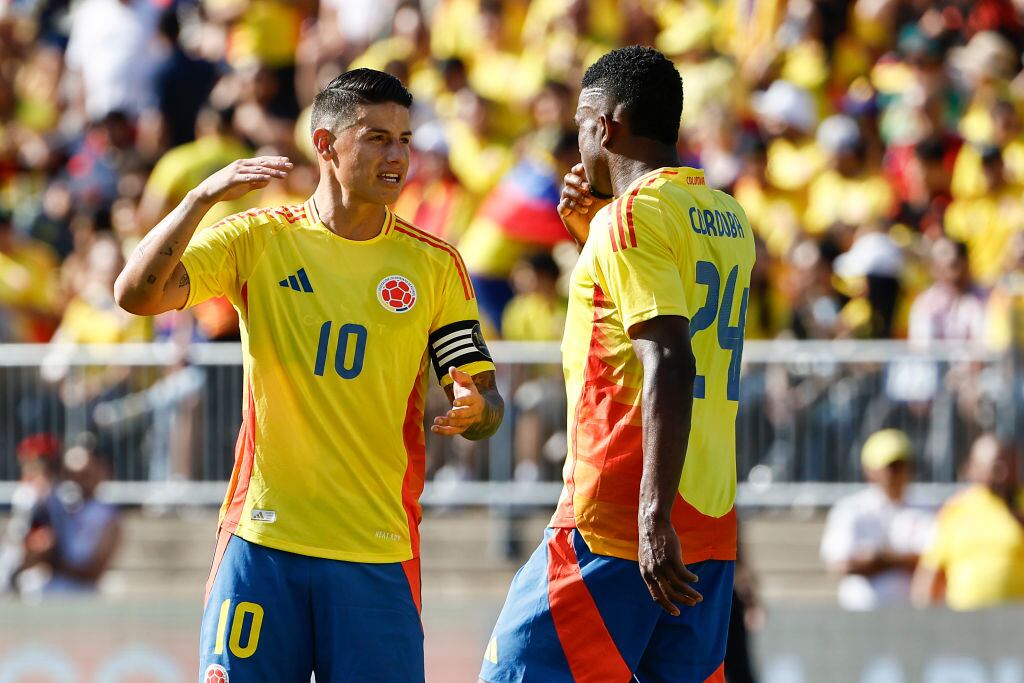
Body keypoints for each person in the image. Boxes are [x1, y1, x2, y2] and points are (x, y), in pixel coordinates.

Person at [114, 68, 504, 683]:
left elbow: (483, 396)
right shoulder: (258, 239)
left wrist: (477, 410)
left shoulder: (434, 266)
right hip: (263, 542)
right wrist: (198, 201)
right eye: (376, 138)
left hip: (377, 548)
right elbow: (137, 295)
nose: (397, 156)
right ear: (326, 145)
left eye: (404, 139)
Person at [480, 46, 755, 683]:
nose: (578, 142)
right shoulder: (726, 216)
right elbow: (647, 323)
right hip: (709, 518)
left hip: (620, 514)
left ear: (608, 124)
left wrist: (651, 517)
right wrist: (590, 238)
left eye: (581, 122)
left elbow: (666, 357)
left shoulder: (632, 216)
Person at [819, 429, 934, 610]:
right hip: (861, 615)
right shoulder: (850, 509)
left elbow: (934, 559)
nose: (894, 473)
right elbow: (841, 563)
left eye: (899, 466)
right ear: (870, 471)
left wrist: (879, 560)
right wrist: (900, 560)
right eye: (888, 467)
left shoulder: (926, 508)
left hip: (910, 617)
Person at [912, 434, 1024, 610]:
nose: (1002, 473)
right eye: (995, 466)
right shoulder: (957, 508)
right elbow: (931, 569)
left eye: (1007, 463)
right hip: (965, 623)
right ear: (974, 467)